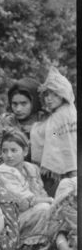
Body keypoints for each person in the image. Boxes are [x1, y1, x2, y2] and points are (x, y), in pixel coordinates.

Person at [0, 130, 52, 250]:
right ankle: (26, 246)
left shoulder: (31, 168)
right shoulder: (3, 172)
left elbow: (41, 192)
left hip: (29, 212)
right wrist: (51, 201)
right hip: (10, 220)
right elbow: (23, 201)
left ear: (25, 151)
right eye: (5, 151)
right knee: (45, 208)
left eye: (14, 150)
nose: (8, 155)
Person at [29, 67, 77, 197]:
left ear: (64, 94)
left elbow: (55, 134)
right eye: (47, 94)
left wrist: (37, 130)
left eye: (55, 94)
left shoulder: (60, 116)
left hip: (60, 171)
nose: (49, 99)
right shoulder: (70, 111)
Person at [0, 78, 43, 164]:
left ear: (34, 102)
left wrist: (38, 131)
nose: (18, 109)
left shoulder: (46, 119)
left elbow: (58, 135)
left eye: (23, 103)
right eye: (14, 104)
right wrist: (1, 135)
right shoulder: (7, 121)